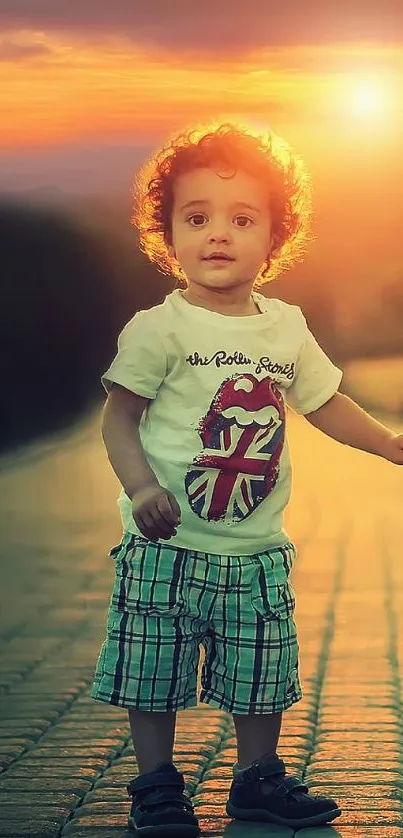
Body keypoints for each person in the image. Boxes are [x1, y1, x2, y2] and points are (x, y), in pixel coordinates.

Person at [91, 121, 403, 836]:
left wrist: (385, 443)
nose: (217, 235)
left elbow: (325, 401)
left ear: (274, 238)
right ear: (168, 234)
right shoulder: (157, 328)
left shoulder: (284, 328)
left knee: (262, 673)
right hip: (165, 547)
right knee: (153, 670)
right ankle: (156, 786)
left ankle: (257, 781)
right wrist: (141, 489)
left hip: (254, 549)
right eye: (195, 219)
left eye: (241, 219)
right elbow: (118, 419)